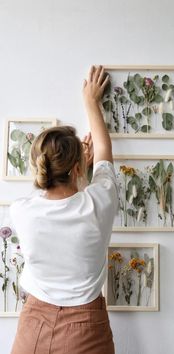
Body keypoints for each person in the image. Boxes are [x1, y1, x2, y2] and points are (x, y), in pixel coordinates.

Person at [10, 65, 118, 354]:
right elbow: (106, 153)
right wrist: (91, 102)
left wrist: (78, 173)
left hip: (34, 325)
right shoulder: (98, 203)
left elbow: (61, 203)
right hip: (86, 326)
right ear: (76, 169)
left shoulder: (20, 211)